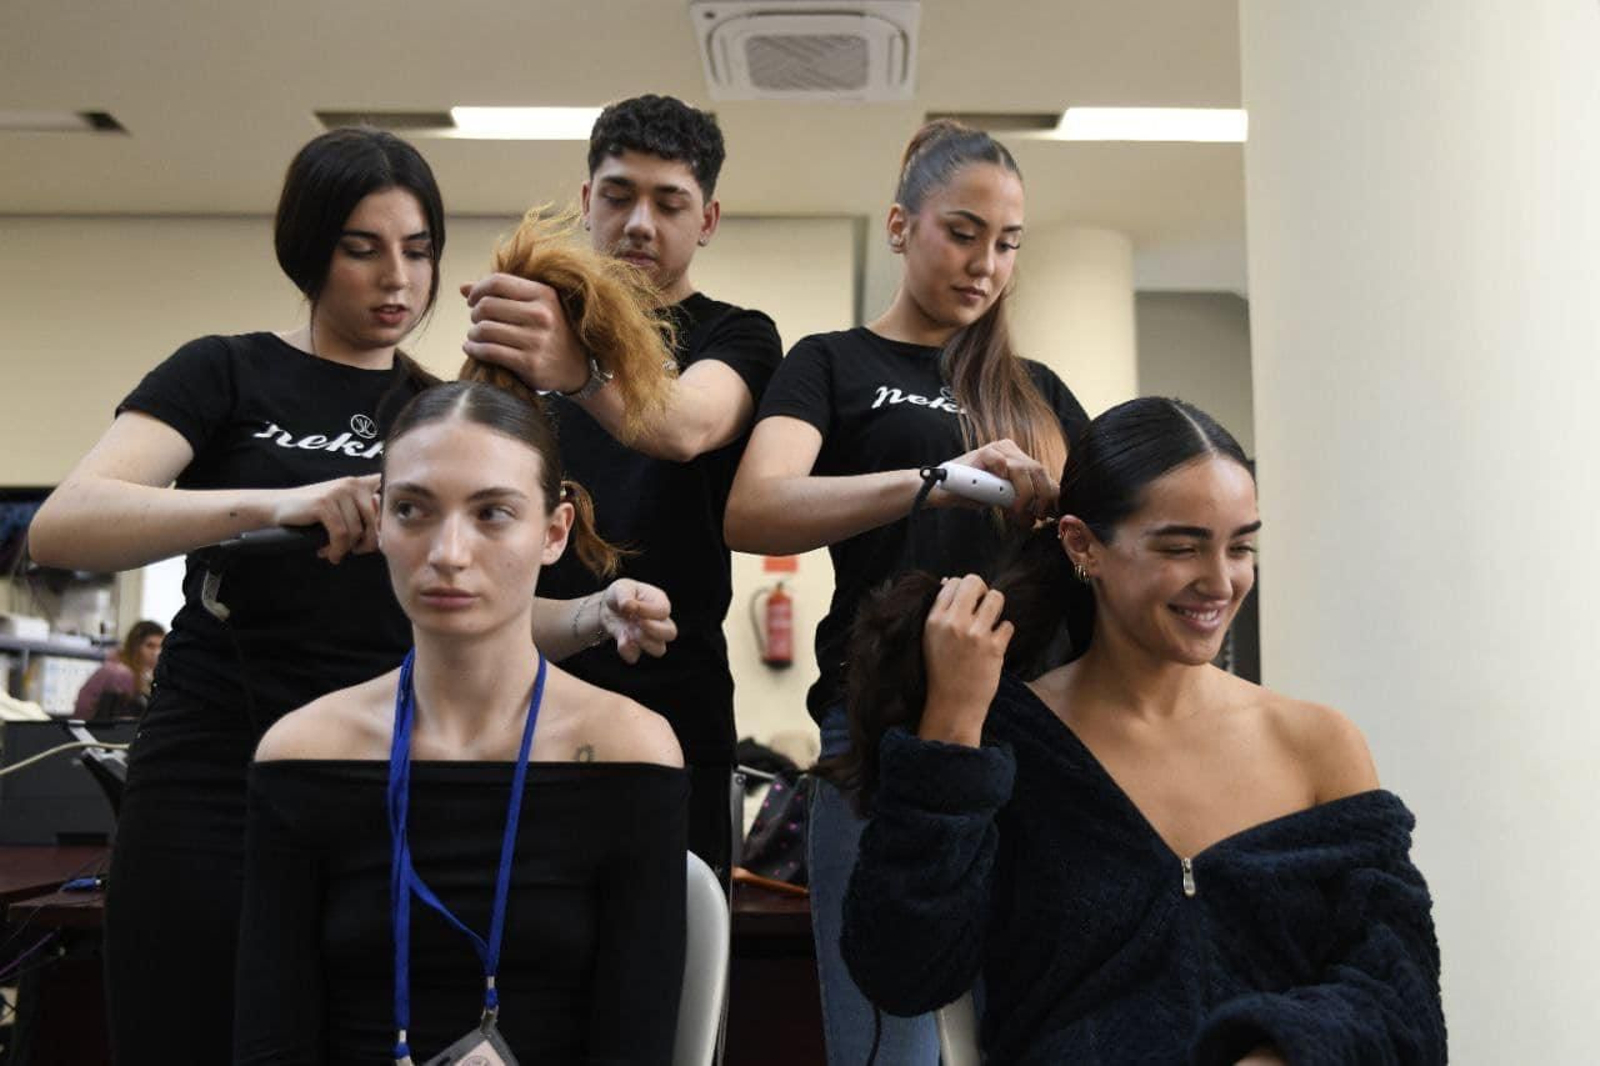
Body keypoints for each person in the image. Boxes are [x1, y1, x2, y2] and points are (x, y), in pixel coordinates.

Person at [25, 127, 675, 1063]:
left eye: (417, 252)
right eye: (361, 249)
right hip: (215, 761)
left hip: (369, 777)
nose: (395, 279)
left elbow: (463, 597)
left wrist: (590, 614)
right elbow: (65, 523)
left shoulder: (430, 409)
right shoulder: (227, 371)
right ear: (308, 249)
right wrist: (274, 502)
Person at [838, 398, 1446, 1064]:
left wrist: (1276, 1052)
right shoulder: (1010, 738)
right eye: (1181, 547)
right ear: (1082, 546)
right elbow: (903, 970)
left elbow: (1400, 985)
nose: (1220, 581)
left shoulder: (1319, 745)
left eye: (1241, 546)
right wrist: (952, 727)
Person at [723, 119, 1090, 1064]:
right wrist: (936, 476)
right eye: (962, 232)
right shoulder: (833, 364)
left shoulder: (1034, 390)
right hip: (878, 728)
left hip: (1026, 731)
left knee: (1039, 1027)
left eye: (1007, 243)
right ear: (900, 225)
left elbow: (1104, 547)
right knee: (887, 1040)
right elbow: (755, 509)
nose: (985, 263)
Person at [235, 381, 686, 1064]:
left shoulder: (630, 751)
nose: (448, 551)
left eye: (492, 514)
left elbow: (636, 1042)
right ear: (381, 522)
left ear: (554, 532)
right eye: (414, 510)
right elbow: (271, 1039)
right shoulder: (302, 752)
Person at [460, 93, 784, 883]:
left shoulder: (736, 334)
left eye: (669, 202)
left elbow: (682, 427)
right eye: (618, 195)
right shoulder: (528, 342)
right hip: (519, 702)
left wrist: (574, 371)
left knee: (676, 967)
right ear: (585, 203)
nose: (640, 222)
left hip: (677, 705)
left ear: (706, 220)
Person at [72, 619, 164, 719]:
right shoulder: (120, 673)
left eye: (161, 647)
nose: (156, 653)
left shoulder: (142, 673)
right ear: (134, 646)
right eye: (150, 646)